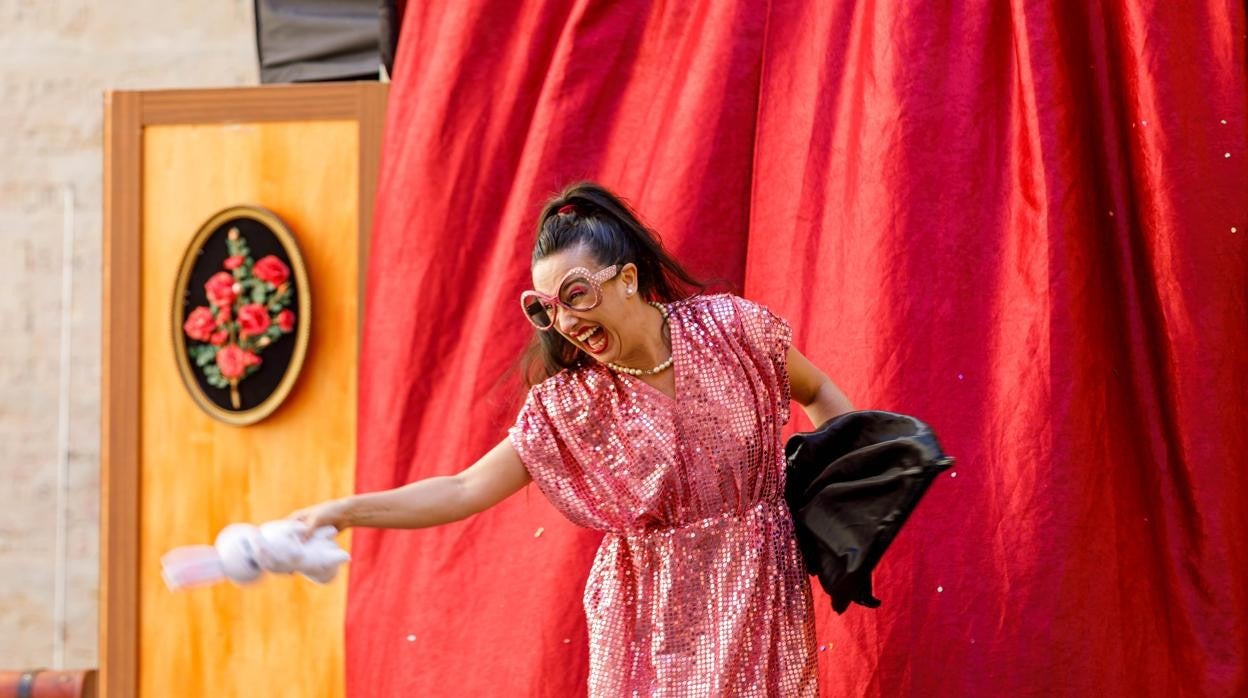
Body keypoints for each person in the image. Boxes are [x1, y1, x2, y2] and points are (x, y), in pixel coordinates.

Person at [289, 181, 854, 696]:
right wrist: (343, 511)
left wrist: (846, 494)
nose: (565, 321)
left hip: (762, 592)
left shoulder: (732, 331)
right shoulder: (572, 406)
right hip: (650, 623)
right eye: (547, 308)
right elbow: (463, 489)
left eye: (577, 294)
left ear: (627, 279)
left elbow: (819, 391)